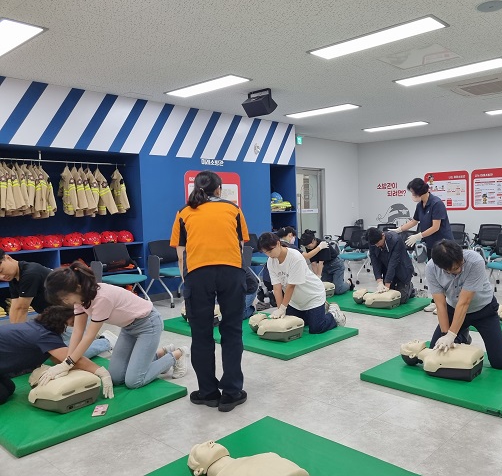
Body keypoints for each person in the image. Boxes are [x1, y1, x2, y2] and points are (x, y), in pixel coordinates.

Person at [170, 170, 249, 412]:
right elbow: (241, 244)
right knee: (232, 331)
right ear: (218, 189)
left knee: (201, 334)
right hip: (231, 273)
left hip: (198, 275)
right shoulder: (233, 209)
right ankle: (232, 392)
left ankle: (208, 392)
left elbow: (181, 253)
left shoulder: (184, 212)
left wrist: (188, 281)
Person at [41, 262, 188, 390]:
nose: (66, 302)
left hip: (148, 325)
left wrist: (68, 363)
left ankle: (177, 354)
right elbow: (77, 332)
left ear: (77, 287)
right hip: (128, 328)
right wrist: (67, 362)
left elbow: (89, 336)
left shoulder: (101, 298)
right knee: (116, 377)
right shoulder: (80, 300)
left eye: (65, 298)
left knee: (134, 381)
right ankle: (160, 353)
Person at [425, 240, 502, 369]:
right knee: (436, 353)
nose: (460, 269)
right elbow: (440, 305)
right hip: (453, 309)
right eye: (456, 269)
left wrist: (451, 335)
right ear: (443, 268)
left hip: (483, 311)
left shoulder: (474, 261)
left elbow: (464, 302)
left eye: (460, 264)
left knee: (500, 362)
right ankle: (462, 336)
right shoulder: (431, 268)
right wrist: (445, 334)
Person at [0, 305, 113, 405]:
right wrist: (101, 372)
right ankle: (106, 342)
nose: (74, 325)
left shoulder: (38, 327)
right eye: (72, 322)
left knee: (9, 388)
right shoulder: (43, 335)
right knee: (2, 395)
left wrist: (65, 368)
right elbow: (73, 359)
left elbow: (61, 359)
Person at [258, 232, 346, 333]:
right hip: (295, 301)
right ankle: (315, 312)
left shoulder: (295, 257)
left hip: (312, 295)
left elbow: (291, 286)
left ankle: (333, 314)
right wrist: (279, 310)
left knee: (316, 328)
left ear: (278, 243)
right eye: (265, 252)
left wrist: (283, 308)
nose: (269, 254)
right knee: (296, 324)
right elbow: (277, 287)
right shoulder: (271, 261)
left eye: (270, 250)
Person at [391, 178, 453, 259]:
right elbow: (414, 221)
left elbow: (435, 227)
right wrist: (399, 229)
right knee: (432, 267)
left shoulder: (436, 203)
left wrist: (418, 236)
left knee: (444, 269)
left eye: (413, 192)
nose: (412, 195)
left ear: (420, 192)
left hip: (444, 245)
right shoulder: (420, 205)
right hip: (431, 244)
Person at [0, 249, 51, 323]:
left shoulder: (30, 273)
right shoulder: (13, 277)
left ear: (8, 258)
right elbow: (15, 307)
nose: (2, 277)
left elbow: (22, 309)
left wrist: (17, 333)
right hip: (51, 317)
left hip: (67, 317)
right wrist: (12, 329)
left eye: (1, 271)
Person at [366, 228, 414, 304]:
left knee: (401, 299)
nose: (377, 246)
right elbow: (374, 261)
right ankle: (396, 286)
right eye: (375, 244)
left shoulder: (396, 239)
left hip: (402, 269)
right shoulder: (373, 241)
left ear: (383, 235)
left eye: (378, 243)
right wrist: (379, 281)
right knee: (386, 298)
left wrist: (387, 285)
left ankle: (410, 287)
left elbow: (393, 262)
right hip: (386, 268)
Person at [298, 229, 353, 295]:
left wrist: (319, 276)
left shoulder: (324, 245)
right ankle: (337, 281)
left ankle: (349, 283)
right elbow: (313, 263)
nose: (308, 248)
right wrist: (317, 278)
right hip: (326, 268)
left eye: (308, 246)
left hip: (336, 266)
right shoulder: (309, 247)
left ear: (313, 241)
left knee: (338, 290)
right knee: (324, 288)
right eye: (306, 247)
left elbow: (320, 263)